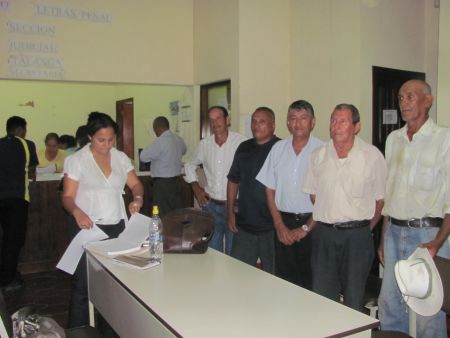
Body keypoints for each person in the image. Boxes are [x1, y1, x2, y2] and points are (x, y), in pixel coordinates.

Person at [378, 80, 450, 337]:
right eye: (400, 98)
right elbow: (390, 194)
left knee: (426, 313)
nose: (403, 103)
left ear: (428, 101)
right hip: (394, 233)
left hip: (428, 236)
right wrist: (384, 239)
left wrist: (438, 243)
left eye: (410, 97)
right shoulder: (393, 139)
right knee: (390, 305)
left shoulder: (444, 138)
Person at [61, 112, 144, 328]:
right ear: (90, 137)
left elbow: (136, 184)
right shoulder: (77, 160)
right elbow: (67, 197)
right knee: (84, 283)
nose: (107, 145)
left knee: (114, 283)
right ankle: (79, 330)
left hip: (117, 226)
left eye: (111, 139)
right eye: (101, 140)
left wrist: (138, 198)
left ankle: (111, 328)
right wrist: (77, 212)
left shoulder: (120, 157)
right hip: (88, 227)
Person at [302, 103, 386, 311]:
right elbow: (314, 195)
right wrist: (332, 212)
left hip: (357, 236)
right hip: (324, 235)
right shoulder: (318, 155)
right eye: (333, 120)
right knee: (322, 294)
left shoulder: (371, 156)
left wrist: (364, 229)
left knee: (353, 295)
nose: (335, 125)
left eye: (342, 121)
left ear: (356, 127)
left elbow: (380, 200)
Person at [256, 100, 323, 288]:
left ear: (313, 122)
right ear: (287, 123)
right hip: (283, 222)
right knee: (285, 280)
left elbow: (326, 197)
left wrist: (305, 229)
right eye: (293, 118)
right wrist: (279, 225)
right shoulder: (278, 149)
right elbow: (269, 188)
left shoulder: (323, 150)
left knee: (312, 280)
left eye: (303, 118)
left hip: (314, 223)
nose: (297, 123)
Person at [184, 106, 246, 255]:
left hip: (235, 207)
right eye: (211, 120)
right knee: (213, 253)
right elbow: (189, 164)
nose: (215, 123)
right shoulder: (204, 145)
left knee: (234, 254)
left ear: (227, 120)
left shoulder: (241, 143)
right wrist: (196, 189)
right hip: (210, 206)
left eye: (218, 118)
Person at [227, 107, 280, 273]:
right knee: (239, 274)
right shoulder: (244, 148)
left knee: (274, 276)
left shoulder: (281, 148)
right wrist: (230, 213)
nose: (256, 125)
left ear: (273, 125)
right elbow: (233, 181)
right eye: (254, 121)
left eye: (262, 121)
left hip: (273, 229)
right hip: (245, 226)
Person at [0, 116, 38, 292]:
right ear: (22, 130)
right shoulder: (27, 145)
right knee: (13, 240)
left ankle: (8, 274)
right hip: (17, 198)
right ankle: (8, 280)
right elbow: (31, 172)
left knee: (3, 240)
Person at [140, 116, 187, 215]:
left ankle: (163, 231)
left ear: (157, 128)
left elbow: (143, 157)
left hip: (162, 185)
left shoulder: (160, 141)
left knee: (161, 215)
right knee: (175, 215)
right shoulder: (178, 139)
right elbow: (184, 150)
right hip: (177, 183)